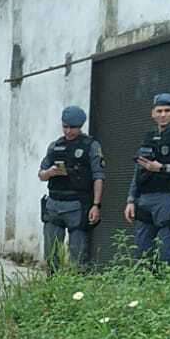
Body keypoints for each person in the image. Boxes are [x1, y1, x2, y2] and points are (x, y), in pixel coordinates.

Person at [125, 93, 170, 265]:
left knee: (167, 254)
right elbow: (138, 171)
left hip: (167, 199)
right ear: (153, 114)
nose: (163, 114)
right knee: (142, 255)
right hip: (144, 200)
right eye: (159, 111)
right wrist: (130, 200)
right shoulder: (148, 138)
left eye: (168, 110)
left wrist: (163, 168)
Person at [38, 105, 105, 271]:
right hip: (54, 205)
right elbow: (41, 174)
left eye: (72, 127)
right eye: (65, 127)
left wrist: (96, 205)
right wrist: (50, 172)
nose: (68, 131)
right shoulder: (55, 146)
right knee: (51, 255)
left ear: (80, 126)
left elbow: (99, 176)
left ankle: (77, 292)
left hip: (78, 206)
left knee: (78, 257)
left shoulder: (91, 146)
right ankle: (52, 290)